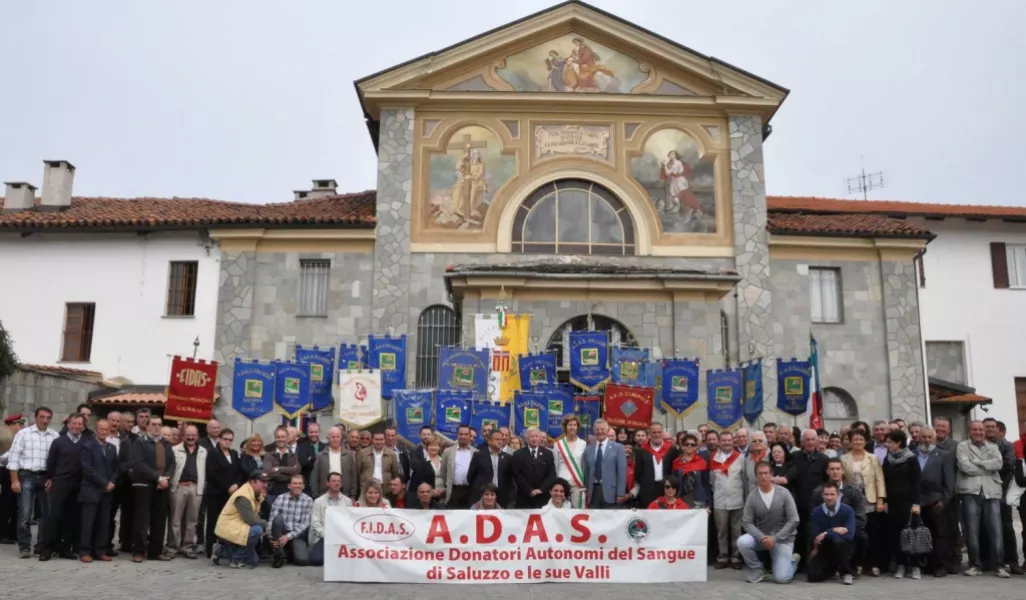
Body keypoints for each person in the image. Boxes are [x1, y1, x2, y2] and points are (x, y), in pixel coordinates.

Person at [956, 420, 1008, 577]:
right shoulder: (962, 446)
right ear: (969, 431)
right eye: (975, 429)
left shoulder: (993, 447)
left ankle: (999, 566)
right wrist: (986, 466)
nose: (978, 432)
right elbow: (964, 467)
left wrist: (977, 462)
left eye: (981, 429)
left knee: (996, 530)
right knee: (972, 530)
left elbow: (998, 464)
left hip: (991, 491)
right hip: (970, 491)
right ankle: (975, 565)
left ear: (984, 432)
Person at [6, 407, 59, 558]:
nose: (45, 420)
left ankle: (41, 546)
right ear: (35, 418)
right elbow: (13, 459)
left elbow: (56, 460)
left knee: (46, 514)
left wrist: (52, 478)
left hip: (45, 478)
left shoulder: (54, 436)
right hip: (27, 476)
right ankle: (24, 546)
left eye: (48, 417)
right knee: (25, 514)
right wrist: (14, 480)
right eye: (42, 417)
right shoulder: (23, 434)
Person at [738, 461, 800, 584]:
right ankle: (758, 569)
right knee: (742, 542)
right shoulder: (752, 495)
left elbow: (794, 519)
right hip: (763, 538)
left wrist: (775, 538)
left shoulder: (784, 493)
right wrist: (762, 538)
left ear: (771, 475)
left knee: (782, 578)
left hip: (783, 539)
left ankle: (793, 561)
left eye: (766, 473)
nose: (763, 476)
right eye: (760, 474)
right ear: (756, 476)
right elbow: (747, 522)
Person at [39, 413, 87, 561]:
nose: (77, 426)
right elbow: (51, 463)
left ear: (83, 426)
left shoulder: (87, 442)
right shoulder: (58, 442)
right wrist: (50, 478)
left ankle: (65, 548)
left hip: (78, 485)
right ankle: (46, 549)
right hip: (60, 483)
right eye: (74, 423)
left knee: (70, 519)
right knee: (54, 517)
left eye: (80, 424)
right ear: (68, 424)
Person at [841, 427, 887, 576]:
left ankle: (874, 564)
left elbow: (879, 479)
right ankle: (857, 563)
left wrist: (880, 500)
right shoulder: (844, 458)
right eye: (855, 439)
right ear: (850, 441)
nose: (858, 442)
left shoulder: (872, 458)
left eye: (861, 439)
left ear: (866, 441)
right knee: (856, 533)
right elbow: (841, 479)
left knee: (873, 533)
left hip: (870, 499)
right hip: (852, 501)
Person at [129, 415, 175, 563]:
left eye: (159, 425)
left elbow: (172, 463)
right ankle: (139, 551)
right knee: (142, 520)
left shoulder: (165, 443)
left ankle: (155, 551)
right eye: (153, 424)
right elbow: (139, 463)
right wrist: (157, 477)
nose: (156, 427)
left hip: (162, 486)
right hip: (144, 486)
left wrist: (166, 477)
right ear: (147, 426)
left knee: (159, 520)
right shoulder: (140, 442)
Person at [812, 458, 868, 576]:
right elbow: (814, 516)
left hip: (849, 529)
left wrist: (846, 528)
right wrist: (832, 531)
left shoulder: (854, 491)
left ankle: (851, 567)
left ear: (843, 471)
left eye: (838, 469)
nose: (835, 472)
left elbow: (861, 517)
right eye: (832, 469)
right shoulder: (818, 492)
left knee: (863, 537)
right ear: (827, 471)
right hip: (826, 531)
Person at [881, 429, 923, 579]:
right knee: (896, 535)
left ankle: (915, 566)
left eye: (890, 442)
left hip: (909, 503)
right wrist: (884, 500)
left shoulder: (911, 459)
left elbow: (917, 482)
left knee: (912, 534)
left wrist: (916, 503)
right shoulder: (888, 459)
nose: (887, 445)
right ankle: (901, 564)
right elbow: (884, 481)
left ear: (899, 442)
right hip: (893, 503)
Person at [916, 426, 956, 577]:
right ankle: (926, 565)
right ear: (919, 438)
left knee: (939, 535)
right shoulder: (913, 455)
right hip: (919, 502)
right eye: (924, 437)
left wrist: (944, 500)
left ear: (934, 439)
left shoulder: (944, 456)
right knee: (922, 534)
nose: (926, 440)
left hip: (937, 501)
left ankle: (940, 565)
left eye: (929, 437)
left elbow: (949, 482)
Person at [78, 418, 118, 563]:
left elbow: (116, 468)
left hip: (107, 492)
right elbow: (87, 470)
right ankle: (85, 551)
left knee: (103, 522)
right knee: (88, 523)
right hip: (91, 491)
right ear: (96, 429)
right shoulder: (87, 446)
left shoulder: (111, 448)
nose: (104, 432)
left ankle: (100, 551)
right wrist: (104, 483)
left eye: (106, 429)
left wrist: (112, 481)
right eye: (101, 429)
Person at [787, 429, 828, 572]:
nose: (810, 442)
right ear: (802, 442)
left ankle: (811, 564)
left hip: (816, 506)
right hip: (798, 503)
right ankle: (796, 564)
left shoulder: (824, 459)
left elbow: (826, 482)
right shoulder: (794, 457)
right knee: (798, 535)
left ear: (817, 441)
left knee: (813, 534)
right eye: (807, 440)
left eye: (812, 440)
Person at [213, 470, 270, 569]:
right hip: (228, 527)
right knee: (257, 530)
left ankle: (221, 550)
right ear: (252, 482)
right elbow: (251, 521)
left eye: (266, 482)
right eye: (262, 482)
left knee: (254, 561)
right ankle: (236, 559)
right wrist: (266, 525)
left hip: (239, 526)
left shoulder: (256, 494)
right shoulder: (243, 496)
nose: (265, 485)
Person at [806, 482, 856, 585]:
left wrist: (827, 532)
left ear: (838, 495)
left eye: (832, 494)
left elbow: (850, 535)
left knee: (837, 540)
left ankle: (846, 573)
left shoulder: (848, 511)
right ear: (822, 495)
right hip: (824, 547)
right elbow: (816, 535)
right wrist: (835, 530)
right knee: (812, 576)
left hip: (843, 546)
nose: (829, 497)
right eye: (826, 494)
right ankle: (832, 569)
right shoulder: (817, 512)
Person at [168, 424, 206, 559]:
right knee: (175, 520)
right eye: (188, 434)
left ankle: (188, 546)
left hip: (195, 488)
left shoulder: (203, 451)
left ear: (197, 436)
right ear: (183, 436)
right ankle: (172, 547)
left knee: (192, 520)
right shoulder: (175, 450)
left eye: (193, 435)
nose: (190, 437)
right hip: (179, 486)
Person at [205, 427, 243, 558]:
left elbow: (239, 471)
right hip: (216, 493)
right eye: (225, 439)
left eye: (230, 440)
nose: (227, 442)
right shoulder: (212, 453)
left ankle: (226, 549)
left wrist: (236, 484)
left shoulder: (233, 453)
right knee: (214, 521)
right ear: (219, 439)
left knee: (228, 522)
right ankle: (211, 549)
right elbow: (212, 473)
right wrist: (227, 486)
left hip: (231, 494)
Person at [711, 430, 744, 570]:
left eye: (729, 440)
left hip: (737, 500)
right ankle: (723, 557)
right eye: (723, 440)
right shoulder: (713, 459)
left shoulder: (740, 458)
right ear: (719, 442)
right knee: (722, 531)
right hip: (720, 501)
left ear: (733, 441)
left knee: (736, 530)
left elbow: (744, 480)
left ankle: (736, 557)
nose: (726, 443)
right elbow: (711, 481)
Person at [269, 474, 313, 568]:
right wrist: (270, 538)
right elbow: (272, 519)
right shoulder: (280, 498)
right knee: (278, 518)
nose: (298, 486)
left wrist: (288, 537)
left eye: (300, 483)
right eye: (295, 483)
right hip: (280, 532)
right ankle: (278, 555)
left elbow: (305, 523)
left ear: (304, 486)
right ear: (289, 486)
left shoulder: (308, 500)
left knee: (302, 560)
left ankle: (289, 552)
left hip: (296, 535)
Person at [309, 471, 352, 566]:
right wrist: (326, 536)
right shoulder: (318, 501)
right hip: (324, 537)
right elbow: (315, 523)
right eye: (333, 481)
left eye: (339, 481)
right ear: (328, 483)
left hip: (342, 538)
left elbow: (349, 522)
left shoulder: (348, 502)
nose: (337, 483)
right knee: (316, 560)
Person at [584, 419, 626, 509]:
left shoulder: (618, 448)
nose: (600, 432)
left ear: (607, 430)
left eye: (602, 429)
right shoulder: (588, 449)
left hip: (611, 493)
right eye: (597, 429)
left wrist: (620, 493)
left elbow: (621, 472)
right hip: (593, 492)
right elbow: (587, 471)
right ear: (594, 431)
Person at [511, 428, 556, 509]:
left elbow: (551, 474)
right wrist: (529, 490)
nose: (534, 439)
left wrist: (541, 489)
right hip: (524, 497)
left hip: (543, 497)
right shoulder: (518, 454)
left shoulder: (548, 454)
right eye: (532, 436)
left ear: (539, 438)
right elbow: (516, 475)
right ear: (527, 438)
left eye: (536, 436)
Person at [467, 429, 513, 508]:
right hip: (482, 497)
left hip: (501, 498)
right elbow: (470, 476)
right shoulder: (479, 455)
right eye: (497, 439)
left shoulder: (508, 458)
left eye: (501, 440)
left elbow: (510, 479)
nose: (500, 442)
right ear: (489, 441)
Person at [310, 426, 357, 500]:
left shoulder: (349, 455)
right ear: (328, 438)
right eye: (333, 437)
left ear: (341, 438)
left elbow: (353, 476)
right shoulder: (321, 455)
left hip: (345, 494)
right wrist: (316, 495)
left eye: (337, 437)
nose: (335, 439)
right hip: (325, 493)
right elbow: (316, 476)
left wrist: (353, 495)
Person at [552, 415, 588, 508]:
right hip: (562, 483)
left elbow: (584, 465)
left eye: (574, 425)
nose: (572, 427)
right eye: (570, 425)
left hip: (578, 483)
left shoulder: (583, 444)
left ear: (577, 427)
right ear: (565, 427)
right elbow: (556, 465)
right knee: (562, 511)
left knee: (577, 511)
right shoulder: (558, 444)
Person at [357, 431, 400, 504]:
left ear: (384, 440)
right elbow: (357, 472)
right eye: (376, 439)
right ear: (372, 440)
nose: (379, 442)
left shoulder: (391, 454)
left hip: (385, 490)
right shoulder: (362, 453)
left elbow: (395, 473)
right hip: (367, 490)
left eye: (381, 440)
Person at [263, 427, 300, 509]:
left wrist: (278, 469)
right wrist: (289, 473)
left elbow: (297, 470)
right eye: (278, 437)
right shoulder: (269, 455)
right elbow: (269, 472)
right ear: (275, 438)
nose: (280, 439)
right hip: (273, 492)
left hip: (289, 492)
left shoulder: (293, 455)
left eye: (283, 437)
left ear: (287, 438)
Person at [440, 425, 477, 509]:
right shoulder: (448, 451)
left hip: (470, 491)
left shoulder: (476, 452)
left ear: (469, 436)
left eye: (466, 434)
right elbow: (443, 471)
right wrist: (449, 482)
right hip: (454, 491)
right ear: (457, 435)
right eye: (461, 434)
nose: (463, 436)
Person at [670, 433, 709, 508]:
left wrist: (708, 503)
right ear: (682, 446)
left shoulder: (702, 462)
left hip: (699, 500)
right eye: (687, 444)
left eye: (692, 444)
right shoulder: (676, 462)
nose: (689, 446)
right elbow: (673, 483)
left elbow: (706, 484)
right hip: (681, 499)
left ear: (696, 447)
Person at [410, 436, 445, 507]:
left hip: (444, 496)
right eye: (431, 445)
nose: (433, 448)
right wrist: (431, 491)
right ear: (427, 448)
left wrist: (444, 490)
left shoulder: (444, 462)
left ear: (439, 448)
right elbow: (421, 481)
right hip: (429, 498)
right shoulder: (422, 463)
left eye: (436, 445)